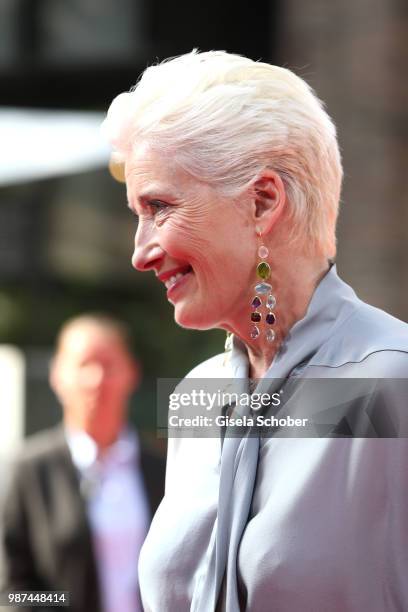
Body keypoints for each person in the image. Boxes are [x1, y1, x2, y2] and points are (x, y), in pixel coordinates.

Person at [102, 51, 408, 612]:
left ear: (263, 201)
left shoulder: (391, 381)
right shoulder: (200, 393)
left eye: (160, 207)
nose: (139, 253)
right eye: (136, 214)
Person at [0, 314, 165, 612]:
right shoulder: (28, 470)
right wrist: (64, 604)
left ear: (131, 373)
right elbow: (12, 592)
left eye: (108, 365)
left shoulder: (164, 469)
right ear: (57, 375)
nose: (96, 379)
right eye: (84, 365)